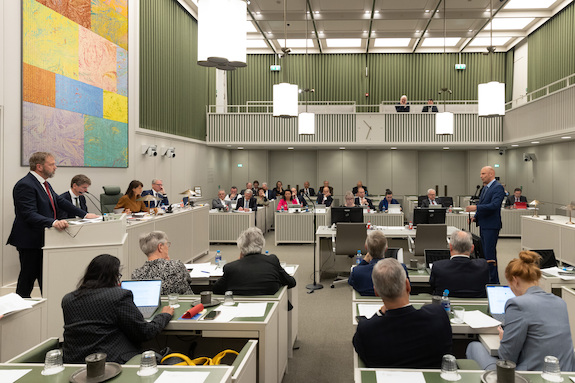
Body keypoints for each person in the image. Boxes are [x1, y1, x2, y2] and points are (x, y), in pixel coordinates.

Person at [8, 152, 99, 298]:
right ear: (39, 166)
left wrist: (85, 215)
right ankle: (19, 311)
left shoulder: (44, 183)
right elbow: (28, 214)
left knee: (45, 277)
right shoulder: (25, 185)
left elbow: (60, 201)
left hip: (44, 239)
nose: (55, 167)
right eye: (51, 164)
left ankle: (48, 308)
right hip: (30, 241)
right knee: (27, 279)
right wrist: (53, 222)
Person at [466, 251, 575, 371]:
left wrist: (504, 339)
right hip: (562, 375)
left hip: (530, 375)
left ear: (515, 280)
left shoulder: (517, 304)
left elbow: (507, 358)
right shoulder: (560, 303)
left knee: (474, 346)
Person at [62, 254, 174, 364]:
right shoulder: (118, 296)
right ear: (113, 276)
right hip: (111, 362)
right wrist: (164, 315)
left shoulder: (68, 299)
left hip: (74, 363)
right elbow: (145, 332)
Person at [353, 258, 452, 368]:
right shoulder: (438, 315)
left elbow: (358, 345)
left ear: (376, 292)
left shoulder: (367, 329)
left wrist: (379, 313)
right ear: (408, 285)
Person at [213, 227, 296, 295]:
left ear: (241, 247)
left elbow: (216, 289)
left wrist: (239, 261)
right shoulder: (272, 260)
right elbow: (291, 282)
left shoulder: (230, 268)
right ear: (262, 244)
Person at [465, 166, 505, 283]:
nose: (481, 176)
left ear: (491, 173)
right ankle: (487, 278)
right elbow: (484, 204)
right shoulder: (485, 188)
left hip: (491, 226)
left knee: (490, 254)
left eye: (483, 174)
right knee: (485, 253)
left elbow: (494, 206)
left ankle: (493, 281)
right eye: (481, 174)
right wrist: (475, 217)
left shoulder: (497, 188)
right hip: (484, 224)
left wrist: (476, 207)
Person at [429, 230, 489, 297]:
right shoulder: (483, 266)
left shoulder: (438, 267)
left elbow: (432, 287)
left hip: (444, 306)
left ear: (450, 247)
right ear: (472, 248)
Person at [348, 231, 409, 296]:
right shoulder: (401, 269)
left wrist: (364, 261)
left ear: (366, 247)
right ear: (386, 248)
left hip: (367, 305)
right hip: (392, 305)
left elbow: (351, 281)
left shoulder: (357, 272)